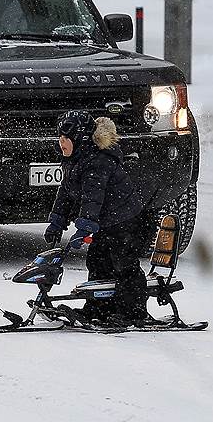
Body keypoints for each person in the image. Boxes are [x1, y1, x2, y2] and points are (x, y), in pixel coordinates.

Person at [44, 110, 150, 324]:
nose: (61, 144)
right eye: (60, 139)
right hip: (105, 221)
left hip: (124, 219)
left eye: (66, 139)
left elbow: (93, 197)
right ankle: (98, 307)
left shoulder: (98, 161)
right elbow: (66, 192)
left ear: (80, 139)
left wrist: (84, 228)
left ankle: (133, 311)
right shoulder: (74, 157)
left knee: (123, 263)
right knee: (97, 262)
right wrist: (56, 221)